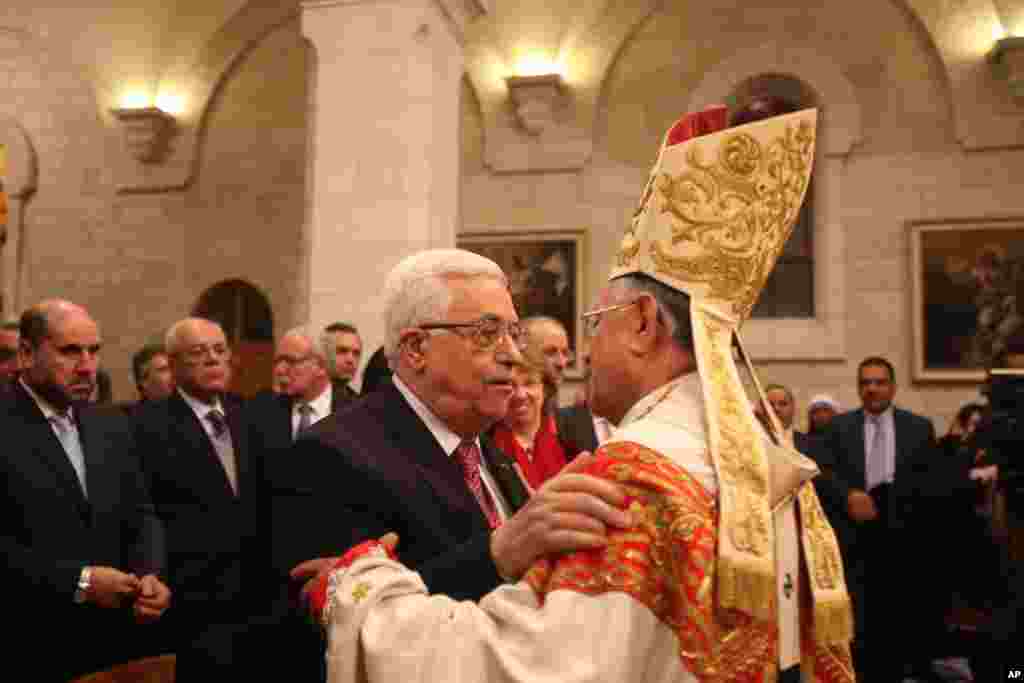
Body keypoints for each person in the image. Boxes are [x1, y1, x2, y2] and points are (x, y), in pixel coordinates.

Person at [310, 107, 854, 683]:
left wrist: (366, 593)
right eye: (487, 333)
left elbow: (515, 668)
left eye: (598, 320)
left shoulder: (637, 476)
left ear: (646, 323)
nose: (585, 347)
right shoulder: (752, 468)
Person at [259, 249, 633, 682]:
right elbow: (343, 630)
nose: (512, 354)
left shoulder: (486, 448)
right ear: (417, 348)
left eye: (513, 333)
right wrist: (500, 551)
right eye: (487, 333)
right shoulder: (330, 456)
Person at [0, 300, 170, 681]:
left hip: (111, 645)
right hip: (24, 645)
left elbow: (141, 513)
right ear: (26, 354)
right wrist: (78, 582)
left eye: (94, 351)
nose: (87, 366)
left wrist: (149, 574)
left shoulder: (108, 421)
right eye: (70, 351)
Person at [133, 317, 256, 678]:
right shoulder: (146, 425)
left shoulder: (248, 416)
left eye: (220, 350)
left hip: (252, 599)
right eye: (199, 352)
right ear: (171, 364)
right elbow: (143, 510)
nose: (213, 360)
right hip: (188, 599)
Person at [813, 356, 944, 682]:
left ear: (893, 386)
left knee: (899, 618)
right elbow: (823, 474)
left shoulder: (919, 428)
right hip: (855, 537)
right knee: (861, 620)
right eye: (865, 383)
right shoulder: (837, 428)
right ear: (859, 388)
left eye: (879, 382)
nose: (872, 389)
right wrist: (847, 496)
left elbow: (930, 482)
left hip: (903, 539)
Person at [487, 341, 568, 491]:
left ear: (545, 388)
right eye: (511, 385)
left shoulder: (570, 436)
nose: (520, 395)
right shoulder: (485, 444)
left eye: (529, 383)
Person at [323, 322, 362, 401]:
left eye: (356, 353)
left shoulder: (359, 405)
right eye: (342, 351)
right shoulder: (300, 396)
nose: (350, 360)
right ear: (323, 353)